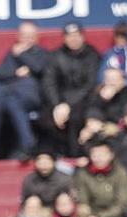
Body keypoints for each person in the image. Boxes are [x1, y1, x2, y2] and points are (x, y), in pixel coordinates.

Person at [0, 21, 48, 162]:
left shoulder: (42, 53)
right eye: (24, 35)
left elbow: (39, 68)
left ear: (37, 37)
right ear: (18, 36)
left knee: (13, 103)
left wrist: (21, 55)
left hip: (31, 97)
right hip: (8, 95)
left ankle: (28, 146)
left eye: (31, 35)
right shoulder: (11, 54)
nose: (27, 38)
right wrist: (15, 72)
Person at [39, 23, 101, 157]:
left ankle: (74, 156)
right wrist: (57, 105)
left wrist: (67, 105)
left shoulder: (92, 55)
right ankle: (54, 155)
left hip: (84, 100)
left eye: (76, 36)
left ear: (82, 37)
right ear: (64, 38)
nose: (74, 39)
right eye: (70, 36)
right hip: (59, 101)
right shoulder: (55, 55)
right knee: (45, 119)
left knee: (75, 118)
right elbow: (49, 82)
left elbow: (90, 85)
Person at [74, 141, 127, 217]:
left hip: (113, 216)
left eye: (102, 155)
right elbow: (83, 200)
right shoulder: (83, 173)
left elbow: (122, 203)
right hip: (91, 216)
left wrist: (100, 216)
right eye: (95, 155)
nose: (98, 159)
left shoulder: (121, 173)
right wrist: (86, 215)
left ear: (111, 155)